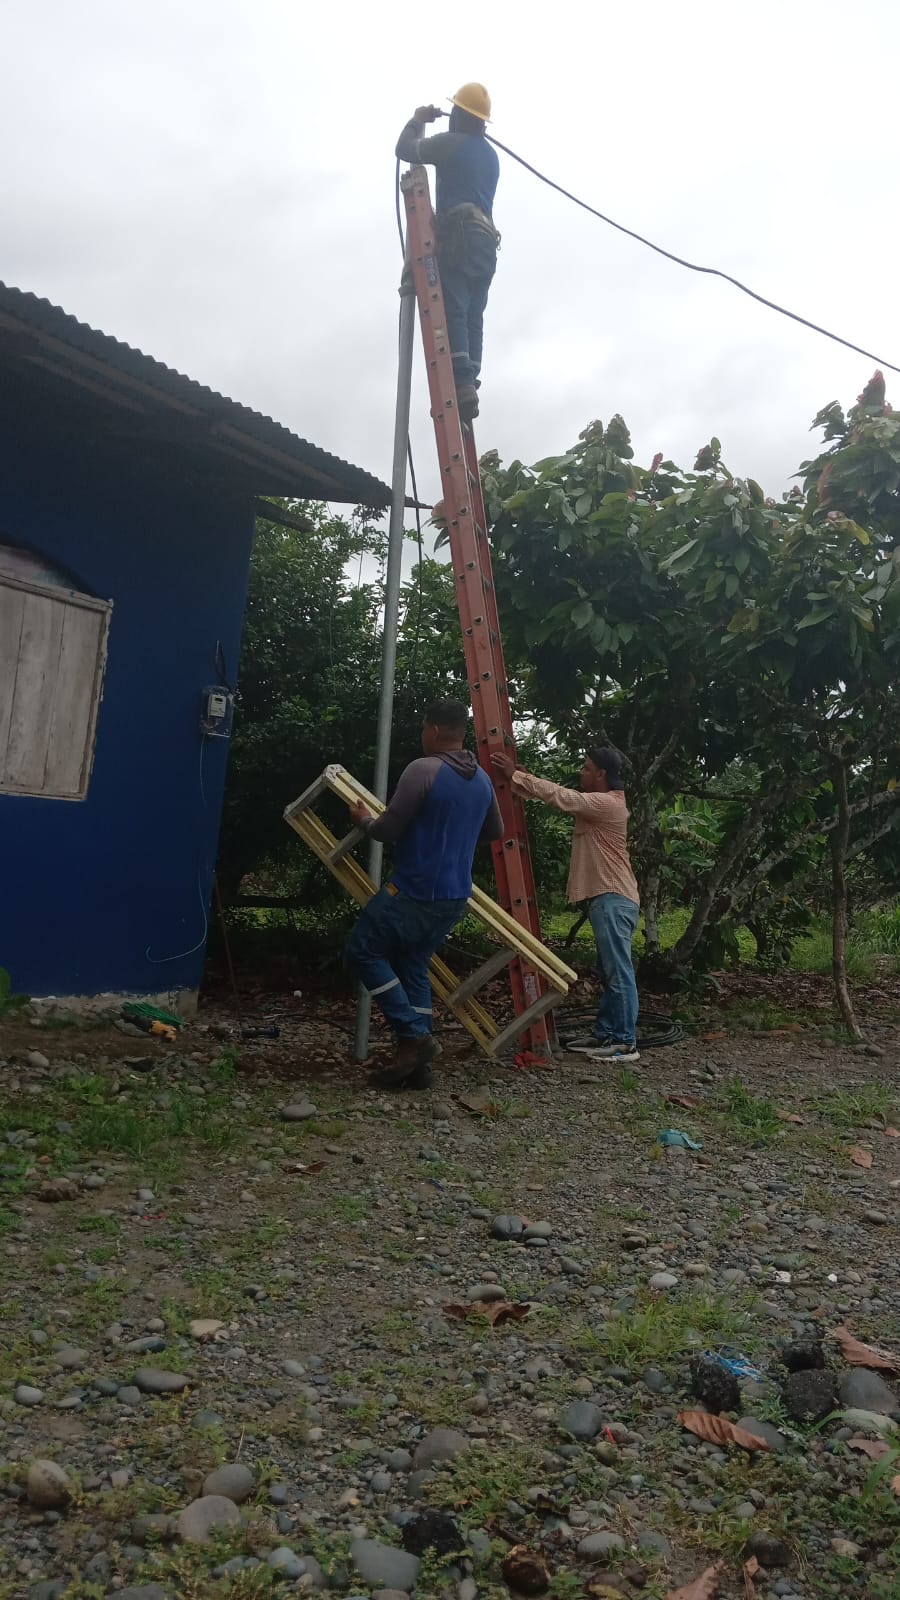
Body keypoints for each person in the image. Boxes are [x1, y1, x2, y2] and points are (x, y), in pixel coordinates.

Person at [346, 699, 503, 1089]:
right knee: (413, 964)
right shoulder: (482, 781)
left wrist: (364, 820)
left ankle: (414, 1036)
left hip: (414, 889)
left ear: (433, 729)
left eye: (422, 728)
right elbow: (495, 832)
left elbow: (387, 830)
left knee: (363, 950)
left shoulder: (424, 770)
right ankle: (417, 1067)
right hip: (455, 896)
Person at [491, 745, 641, 1063]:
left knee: (617, 973)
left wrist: (516, 775)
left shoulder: (605, 804)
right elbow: (557, 797)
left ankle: (625, 1043)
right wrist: (522, 780)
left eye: (586, 768)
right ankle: (606, 1034)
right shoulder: (603, 803)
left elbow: (562, 796)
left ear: (601, 774)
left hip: (613, 898)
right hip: (611, 898)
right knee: (609, 971)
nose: (581, 772)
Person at [396, 83, 499, 422]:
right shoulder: (491, 156)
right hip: (486, 241)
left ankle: (463, 382)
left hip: (461, 235)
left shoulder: (452, 144)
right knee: (473, 313)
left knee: (454, 303)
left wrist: (417, 120)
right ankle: (470, 380)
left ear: (458, 115)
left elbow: (405, 149)